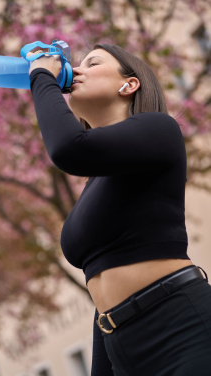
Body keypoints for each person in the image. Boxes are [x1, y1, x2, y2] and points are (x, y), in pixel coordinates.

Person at [27, 44, 211, 376]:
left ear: (128, 85)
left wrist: (42, 75)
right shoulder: (95, 181)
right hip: (120, 344)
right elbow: (103, 289)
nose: (77, 70)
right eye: (77, 65)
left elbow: (68, 148)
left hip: (181, 329)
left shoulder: (161, 130)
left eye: (92, 63)